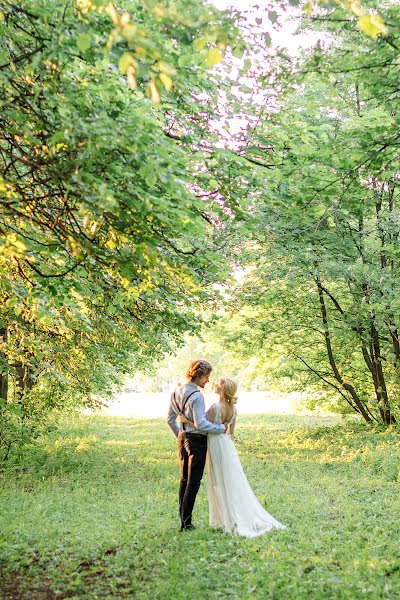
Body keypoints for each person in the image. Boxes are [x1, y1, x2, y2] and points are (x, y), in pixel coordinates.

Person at [179, 377, 286, 537]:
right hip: (226, 446)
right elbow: (230, 432)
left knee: (218, 480)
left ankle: (225, 517)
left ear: (221, 390)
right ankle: (228, 515)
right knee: (228, 479)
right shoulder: (233, 409)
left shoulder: (215, 407)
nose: (214, 385)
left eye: (217, 385)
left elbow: (202, 427)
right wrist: (221, 429)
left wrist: (186, 420)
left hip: (214, 444)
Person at [167, 360, 227, 531]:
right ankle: (186, 524)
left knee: (184, 480)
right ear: (199, 375)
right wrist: (219, 428)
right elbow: (200, 424)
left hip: (182, 438)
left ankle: (184, 520)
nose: (208, 381)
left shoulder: (175, 392)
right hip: (196, 442)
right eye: (207, 377)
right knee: (193, 482)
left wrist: (180, 434)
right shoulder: (197, 396)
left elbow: (170, 420)